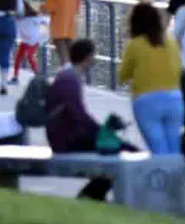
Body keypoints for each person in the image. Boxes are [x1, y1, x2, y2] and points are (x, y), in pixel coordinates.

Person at [47, 39, 138, 200]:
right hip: (66, 141)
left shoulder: (68, 76)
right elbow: (79, 116)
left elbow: (78, 116)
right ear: (87, 57)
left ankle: (96, 194)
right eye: (93, 56)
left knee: (119, 147)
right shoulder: (70, 80)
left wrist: (103, 130)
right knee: (120, 149)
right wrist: (102, 131)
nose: (94, 60)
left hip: (64, 136)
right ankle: (91, 195)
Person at [120, 2, 183, 154]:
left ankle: (163, 176)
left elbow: (122, 75)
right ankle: (176, 176)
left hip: (146, 102)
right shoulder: (171, 42)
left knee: (158, 150)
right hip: (174, 100)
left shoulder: (134, 45)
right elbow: (178, 69)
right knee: (174, 148)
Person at [41, 0, 79, 67]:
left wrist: (41, 8)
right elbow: (76, 9)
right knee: (72, 58)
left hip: (58, 29)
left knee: (64, 59)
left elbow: (49, 8)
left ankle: (67, 79)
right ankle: (75, 78)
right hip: (70, 29)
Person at [12, 2, 46, 84]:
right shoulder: (18, 20)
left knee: (29, 56)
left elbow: (44, 24)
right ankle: (15, 77)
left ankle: (38, 76)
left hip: (34, 41)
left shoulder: (34, 18)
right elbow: (16, 33)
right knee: (18, 57)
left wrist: (41, 39)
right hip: (25, 41)